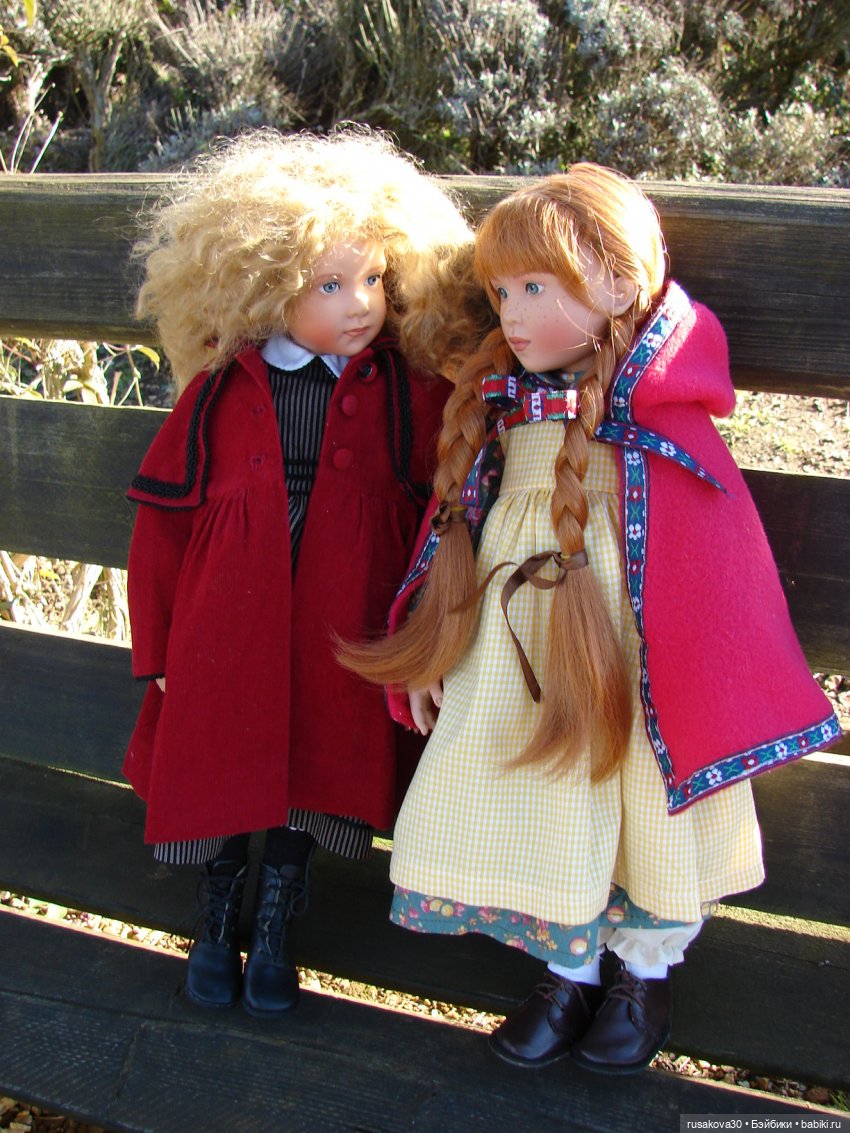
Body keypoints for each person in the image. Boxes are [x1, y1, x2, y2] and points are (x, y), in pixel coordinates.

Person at [341, 165, 841, 1073]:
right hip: (518, 651)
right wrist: (431, 641)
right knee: (540, 791)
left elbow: (720, 566)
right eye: (502, 293)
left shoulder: (662, 421)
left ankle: (643, 973)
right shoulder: (499, 409)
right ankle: (567, 969)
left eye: (536, 288)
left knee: (643, 795)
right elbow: (453, 526)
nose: (513, 314)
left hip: (633, 656)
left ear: (617, 284)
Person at [123, 127, 474, 1016]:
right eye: (329, 285)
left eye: (374, 280)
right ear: (264, 284)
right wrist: (155, 645)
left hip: (344, 610)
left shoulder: (404, 389)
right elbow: (163, 522)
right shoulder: (223, 388)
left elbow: (445, 494)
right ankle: (215, 916)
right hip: (229, 607)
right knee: (220, 752)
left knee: (318, 759)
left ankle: (278, 919)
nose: (360, 305)